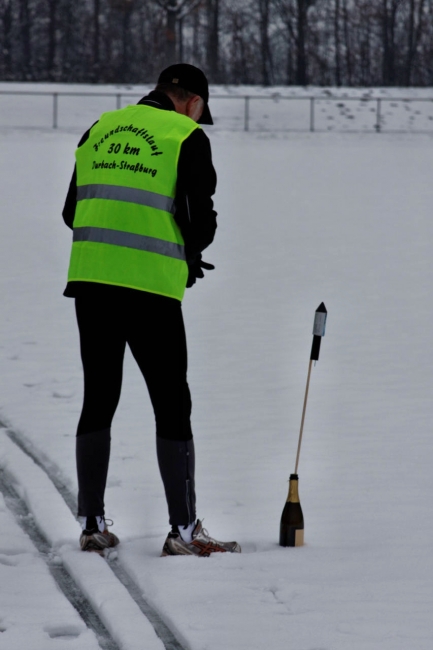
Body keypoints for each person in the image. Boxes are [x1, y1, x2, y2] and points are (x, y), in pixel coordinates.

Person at [62, 63, 240, 557]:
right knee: (171, 401)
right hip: (149, 291)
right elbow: (198, 221)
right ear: (195, 103)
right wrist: (185, 251)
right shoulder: (185, 135)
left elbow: (71, 211)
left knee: (99, 396)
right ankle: (183, 531)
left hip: (92, 282)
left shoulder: (99, 128)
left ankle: (93, 525)